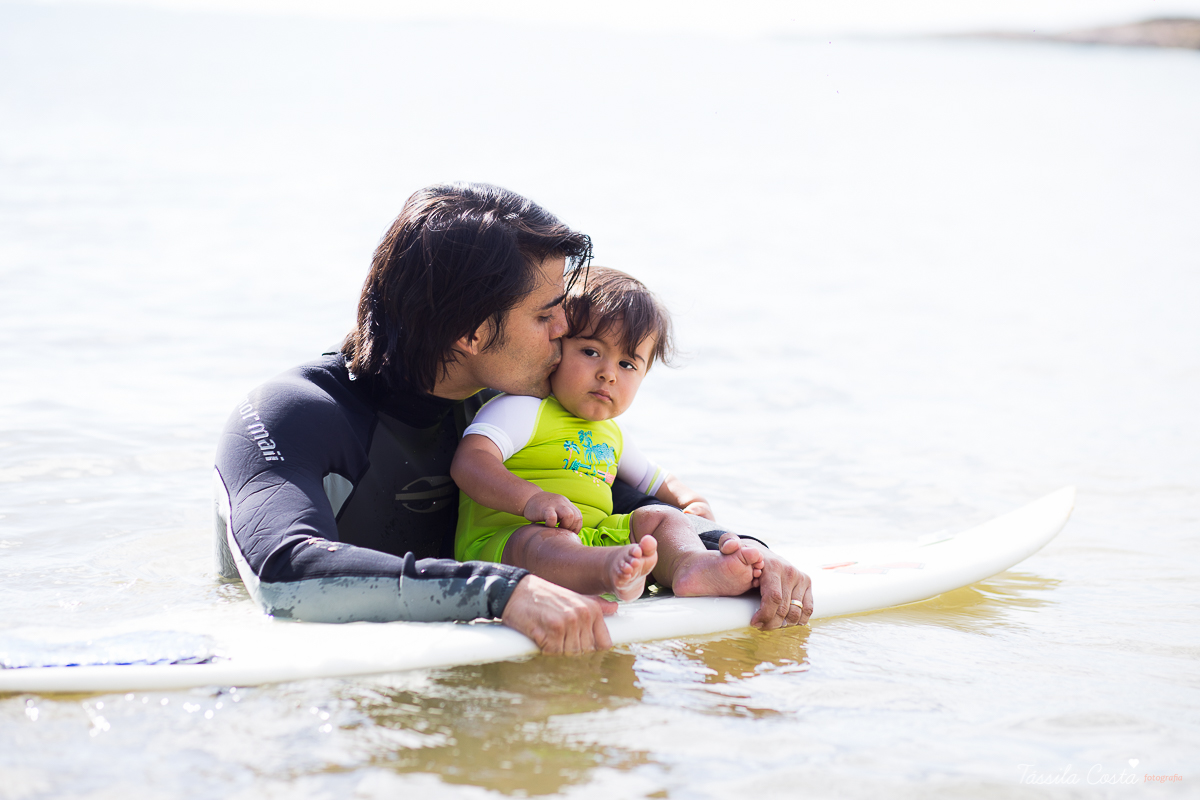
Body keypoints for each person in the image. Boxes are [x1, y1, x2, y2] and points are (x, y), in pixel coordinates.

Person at [213, 182, 812, 655]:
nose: (567, 332)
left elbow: (632, 506)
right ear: (470, 333)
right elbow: (284, 572)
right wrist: (502, 592)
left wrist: (748, 556)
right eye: (547, 315)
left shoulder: (510, 409)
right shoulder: (294, 414)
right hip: (327, 700)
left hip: (478, 649)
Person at [453, 267, 767, 601]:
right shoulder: (523, 409)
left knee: (658, 517)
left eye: (627, 365)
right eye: (591, 352)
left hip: (589, 542)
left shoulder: (612, 434)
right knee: (542, 542)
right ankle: (608, 572)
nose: (608, 374)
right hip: (506, 546)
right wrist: (531, 498)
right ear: (557, 347)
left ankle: (690, 566)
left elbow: (656, 480)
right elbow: (470, 462)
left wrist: (691, 503)